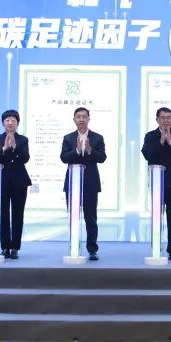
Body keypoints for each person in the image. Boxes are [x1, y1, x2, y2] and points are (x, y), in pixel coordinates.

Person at [141, 107, 171, 262]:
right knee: (157, 217)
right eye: (162, 118)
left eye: (168, 117)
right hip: (157, 183)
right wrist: (161, 142)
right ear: (157, 119)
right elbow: (147, 154)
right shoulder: (150, 136)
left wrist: (170, 141)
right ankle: (156, 248)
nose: (166, 120)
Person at [60, 107, 107, 261]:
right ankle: (73, 247)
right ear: (74, 119)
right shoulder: (68, 138)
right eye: (78, 117)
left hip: (90, 184)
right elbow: (64, 158)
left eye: (84, 116)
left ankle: (92, 249)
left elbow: (102, 158)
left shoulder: (97, 137)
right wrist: (77, 150)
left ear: (88, 119)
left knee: (91, 218)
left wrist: (90, 150)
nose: (81, 119)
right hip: (73, 183)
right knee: (73, 218)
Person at [0, 109, 32, 260]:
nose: (10, 123)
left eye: (13, 120)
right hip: (2, 180)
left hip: (20, 181)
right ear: (3, 123)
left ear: (18, 123)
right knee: (3, 214)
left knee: (18, 214)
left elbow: (25, 158)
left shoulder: (23, 140)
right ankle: (5, 246)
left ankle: (15, 248)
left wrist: (14, 148)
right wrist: (4, 149)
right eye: (7, 120)